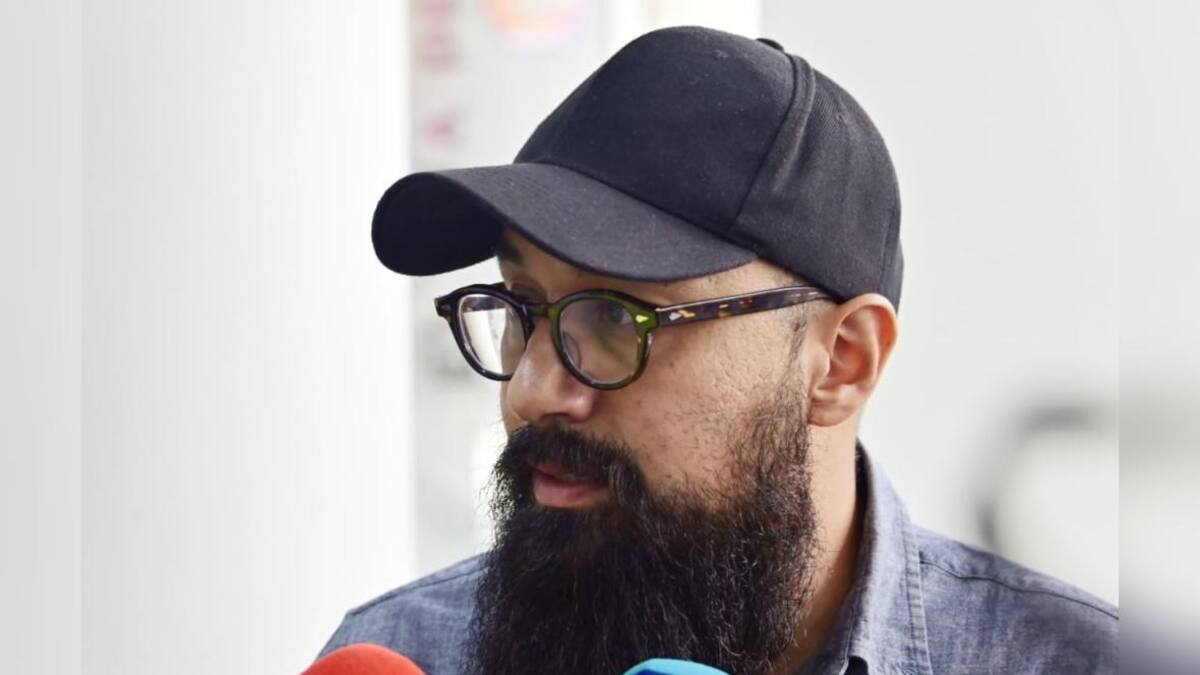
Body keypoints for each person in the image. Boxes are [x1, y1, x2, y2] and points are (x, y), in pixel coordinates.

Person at [317, 26, 1117, 675]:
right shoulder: (410, 649)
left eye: (616, 317)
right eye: (522, 307)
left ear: (842, 362)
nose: (531, 389)